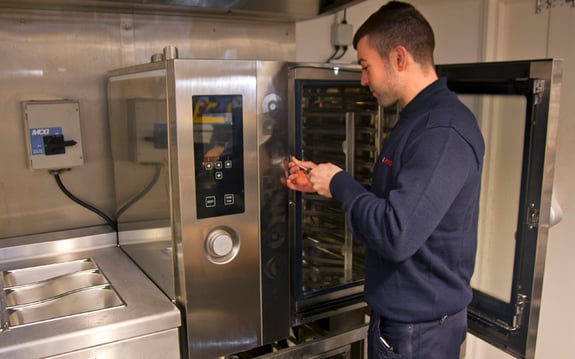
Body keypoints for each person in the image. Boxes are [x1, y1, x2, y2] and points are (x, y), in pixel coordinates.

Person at [285, 2, 485, 358]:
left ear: (399, 58)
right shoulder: (417, 119)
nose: (363, 80)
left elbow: (396, 234)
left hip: (419, 337)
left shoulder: (443, 131)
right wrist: (324, 183)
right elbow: (396, 208)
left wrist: (340, 183)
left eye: (365, 67)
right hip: (402, 325)